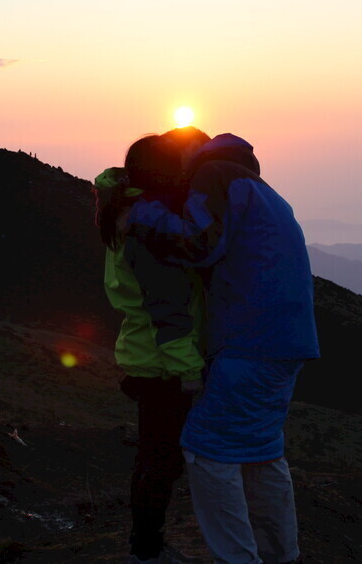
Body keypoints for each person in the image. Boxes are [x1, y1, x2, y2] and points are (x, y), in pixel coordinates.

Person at [126, 130, 319, 564]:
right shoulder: (263, 189)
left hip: (249, 342)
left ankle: (237, 558)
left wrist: (145, 214)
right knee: (261, 451)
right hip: (290, 341)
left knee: (207, 447)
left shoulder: (214, 175)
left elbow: (197, 244)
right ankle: (280, 554)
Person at [94, 134, 206, 563]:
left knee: (152, 455)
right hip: (162, 364)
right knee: (161, 460)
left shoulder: (128, 214)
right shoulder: (148, 227)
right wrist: (188, 371)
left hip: (145, 357)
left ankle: (145, 544)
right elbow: (167, 308)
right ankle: (147, 550)